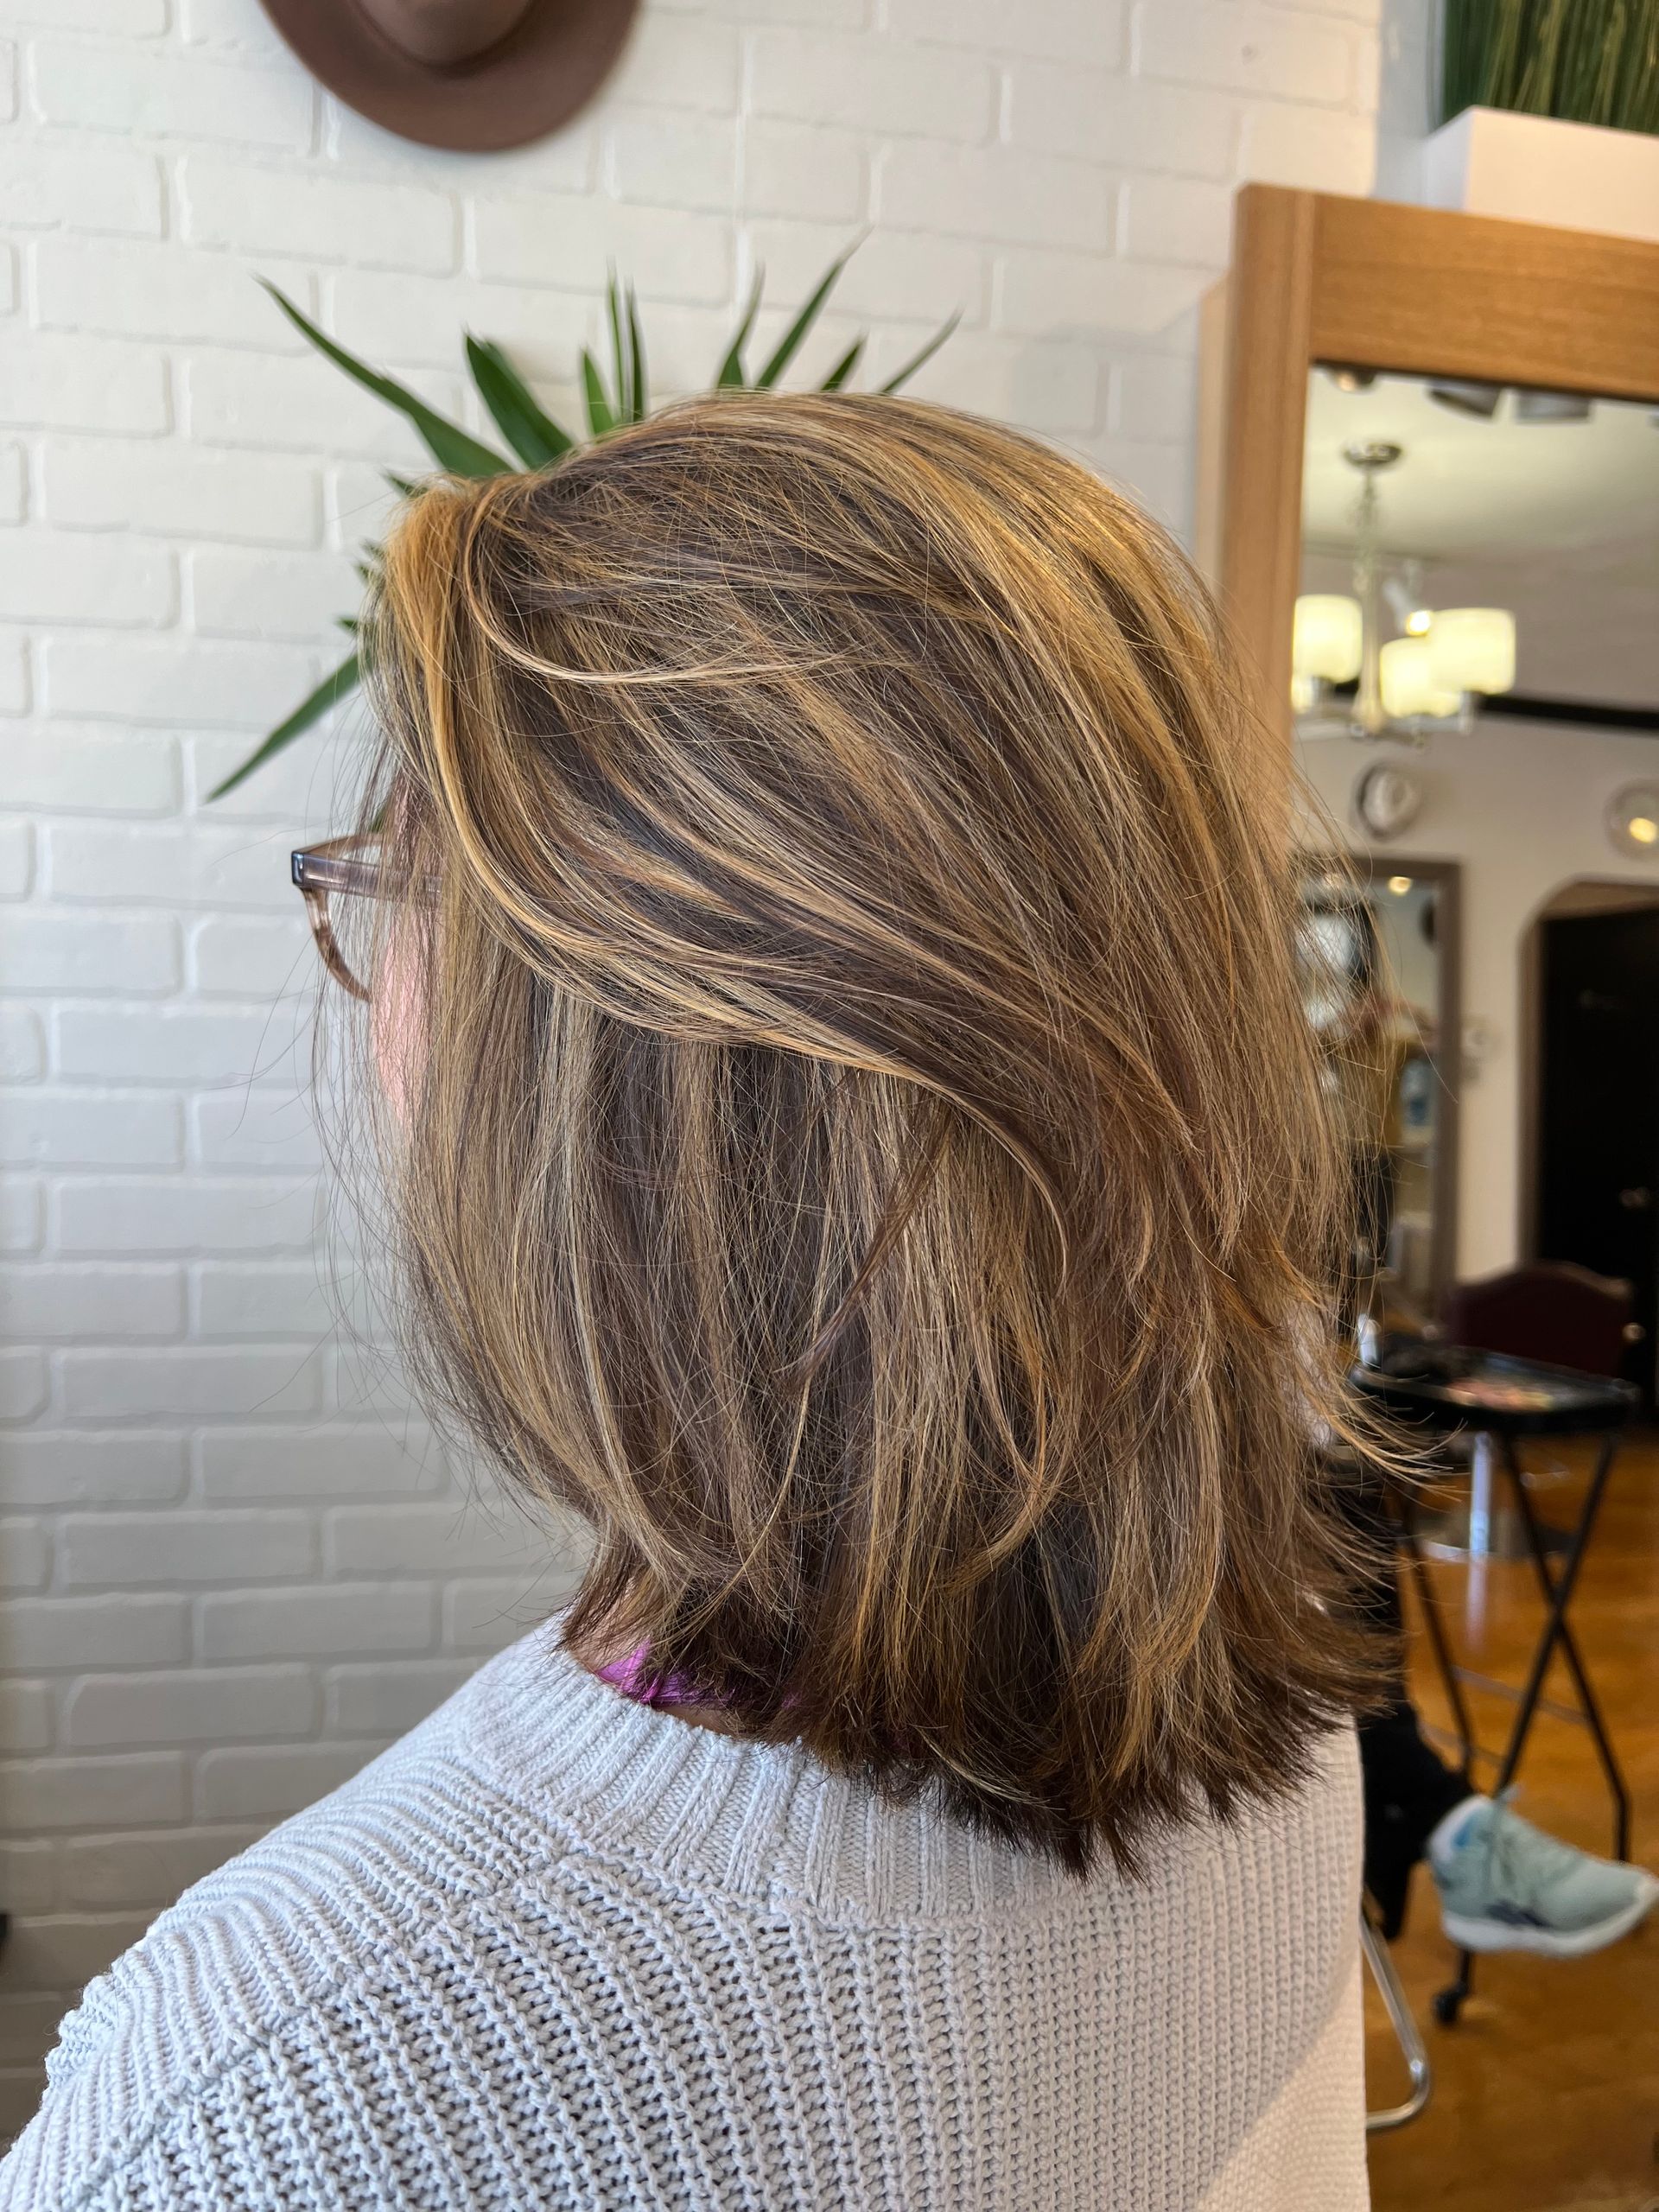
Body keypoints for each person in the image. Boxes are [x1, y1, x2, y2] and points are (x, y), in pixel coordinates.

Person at [2, 396, 1386, 2211]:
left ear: (594, 1088)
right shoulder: (1278, 1743)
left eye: (401, 884)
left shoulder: (270, 2090)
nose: (370, 998)